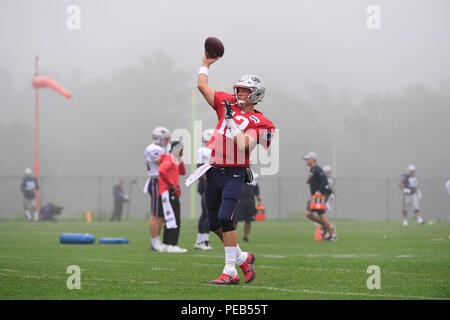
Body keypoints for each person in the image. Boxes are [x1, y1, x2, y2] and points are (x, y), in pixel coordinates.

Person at [191, 51, 276, 285]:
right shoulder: (226, 103)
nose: (238, 94)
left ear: (255, 95)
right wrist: (205, 64)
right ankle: (243, 258)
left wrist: (230, 121)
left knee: (225, 217)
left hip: (234, 173)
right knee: (213, 224)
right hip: (212, 170)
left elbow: (244, 143)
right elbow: (202, 86)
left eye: (244, 91)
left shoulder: (263, 123)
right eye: (237, 89)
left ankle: (230, 272)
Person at [144, 127, 171, 252]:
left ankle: (157, 242)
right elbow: (161, 163)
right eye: (165, 138)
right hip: (156, 181)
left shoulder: (161, 149)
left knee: (161, 214)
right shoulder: (154, 149)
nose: (167, 141)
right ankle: (154, 243)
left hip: (161, 181)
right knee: (156, 214)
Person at [158, 141, 187, 253]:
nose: (183, 152)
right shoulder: (169, 158)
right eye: (181, 149)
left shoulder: (174, 159)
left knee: (170, 218)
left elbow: (183, 172)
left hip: (170, 192)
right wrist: (171, 184)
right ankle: (172, 244)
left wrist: (179, 159)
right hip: (169, 192)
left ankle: (166, 244)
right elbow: (161, 171)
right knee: (175, 218)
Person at [303, 152, 337, 241]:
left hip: (320, 196)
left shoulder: (318, 169)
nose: (306, 160)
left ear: (313, 159)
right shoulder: (312, 170)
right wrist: (309, 180)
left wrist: (319, 191)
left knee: (321, 214)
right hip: (315, 197)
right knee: (308, 214)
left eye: (308, 158)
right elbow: (314, 180)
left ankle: (332, 235)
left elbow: (324, 180)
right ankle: (328, 226)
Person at [194, 129, 215, 250]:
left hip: (208, 183)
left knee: (204, 213)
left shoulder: (212, 150)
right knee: (208, 213)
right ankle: (204, 242)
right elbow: (200, 169)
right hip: (206, 184)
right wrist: (208, 185)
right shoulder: (203, 150)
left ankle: (199, 241)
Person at [233, 169, 261, 243]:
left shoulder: (253, 175)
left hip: (250, 200)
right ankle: (231, 236)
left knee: (248, 220)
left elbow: (256, 188)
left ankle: (245, 237)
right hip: (239, 200)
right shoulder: (237, 173)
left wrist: (259, 199)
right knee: (235, 220)